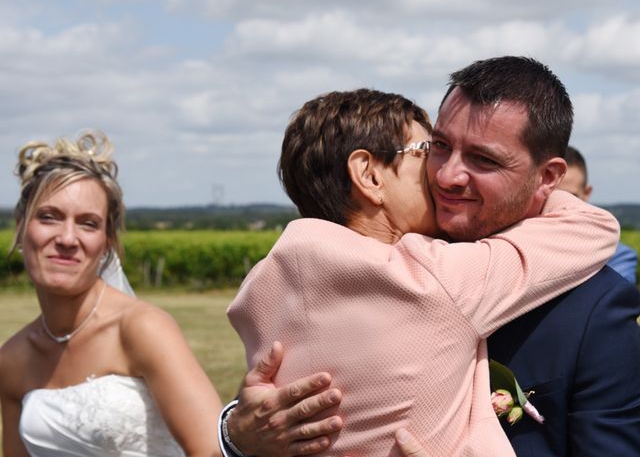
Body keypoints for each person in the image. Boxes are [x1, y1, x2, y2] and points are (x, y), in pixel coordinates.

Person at [219, 58, 640, 456]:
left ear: (548, 176)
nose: (445, 175)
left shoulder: (594, 310)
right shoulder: (425, 272)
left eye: (483, 159)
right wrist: (238, 434)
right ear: (368, 175)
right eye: (435, 147)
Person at [0, 130, 223, 457]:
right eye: (49, 217)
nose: (67, 237)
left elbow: (211, 451)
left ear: (106, 243)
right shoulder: (11, 360)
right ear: (21, 227)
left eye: (88, 224)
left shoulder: (142, 328)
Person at [558, 145, 637, 284]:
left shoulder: (615, 255)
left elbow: (613, 299)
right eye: (552, 196)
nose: (558, 205)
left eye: (571, 196)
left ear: (587, 193)